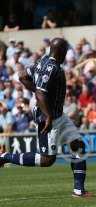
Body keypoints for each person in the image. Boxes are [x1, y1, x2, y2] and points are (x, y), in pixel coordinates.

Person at [0, 38, 90, 197]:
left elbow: (22, 76)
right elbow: (41, 93)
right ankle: (6, 157)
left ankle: (79, 190)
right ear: (61, 51)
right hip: (48, 116)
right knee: (47, 160)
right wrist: (47, 114)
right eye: (66, 51)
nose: (67, 53)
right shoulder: (52, 68)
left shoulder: (42, 62)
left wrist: (35, 90)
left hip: (57, 114)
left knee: (79, 146)